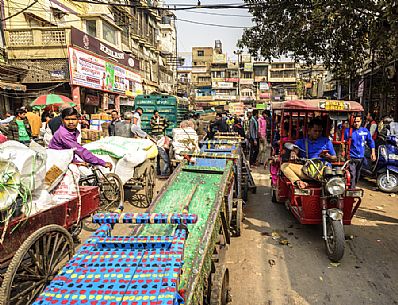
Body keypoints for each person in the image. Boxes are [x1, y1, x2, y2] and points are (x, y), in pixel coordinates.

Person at [281, 118, 337, 189]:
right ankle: (299, 182)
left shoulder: (326, 141)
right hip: (306, 171)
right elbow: (295, 150)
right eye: (315, 131)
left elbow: (334, 158)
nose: (317, 133)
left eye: (319, 131)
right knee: (284, 166)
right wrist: (293, 153)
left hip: (322, 171)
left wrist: (327, 156)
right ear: (309, 131)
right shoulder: (300, 142)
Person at [345, 115, 376, 189]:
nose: (356, 123)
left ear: (361, 121)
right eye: (355, 122)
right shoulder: (348, 131)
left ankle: (353, 187)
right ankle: (351, 189)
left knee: (358, 174)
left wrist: (373, 153)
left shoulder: (365, 131)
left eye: (358, 121)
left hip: (361, 157)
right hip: (351, 157)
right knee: (352, 174)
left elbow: (371, 142)